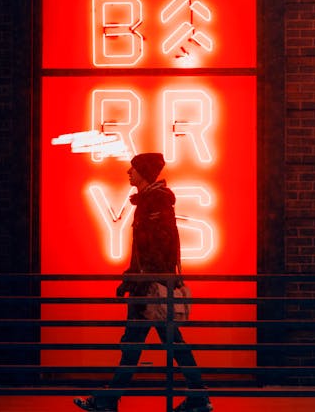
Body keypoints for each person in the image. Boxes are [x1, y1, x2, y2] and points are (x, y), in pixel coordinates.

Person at [74, 152, 212, 412]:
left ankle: (110, 400)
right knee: (164, 342)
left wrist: (138, 280)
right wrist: (132, 279)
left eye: (133, 169)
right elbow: (148, 250)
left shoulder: (155, 203)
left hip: (149, 288)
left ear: (144, 173)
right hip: (150, 285)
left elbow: (156, 248)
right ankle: (197, 396)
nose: (129, 173)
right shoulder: (152, 202)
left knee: (139, 345)